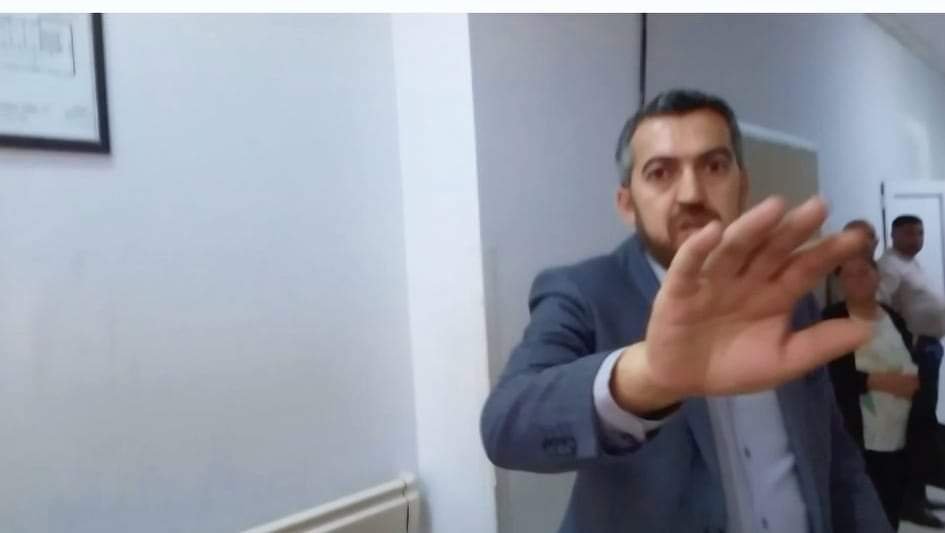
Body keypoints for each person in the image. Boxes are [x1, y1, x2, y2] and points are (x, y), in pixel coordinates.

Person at [480, 89, 890, 532]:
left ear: (742, 185)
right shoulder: (583, 292)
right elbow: (507, 424)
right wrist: (649, 377)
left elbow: (835, 456)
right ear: (626, 204)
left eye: (714, 166)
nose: (692, 194)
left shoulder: (785, 296)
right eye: (660, 173)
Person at [824, 255, 921, 529]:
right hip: (857, 438)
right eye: (849, 275)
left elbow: (911, 363)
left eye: (864, 272)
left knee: (891, 510)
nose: (858, 280)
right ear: (840, 282)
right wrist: (881, 381)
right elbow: (832, 377)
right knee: (862, 514)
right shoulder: (831, 320)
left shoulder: (893, 318)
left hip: (898, 436)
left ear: (877, 276)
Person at [878, 214, 945, 527]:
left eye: (920, 232)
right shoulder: (890, 266)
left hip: (928, 349)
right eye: (908, 233)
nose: (916, 238)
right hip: (913, 354)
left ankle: (920, 491)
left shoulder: (910, 263)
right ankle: (909, 501)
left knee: (924, 425)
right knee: (914, 428)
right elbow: (880, 306)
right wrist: (907, 341)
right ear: (893, 235)